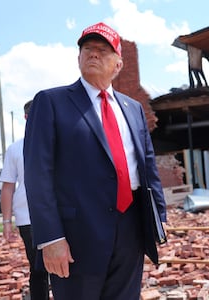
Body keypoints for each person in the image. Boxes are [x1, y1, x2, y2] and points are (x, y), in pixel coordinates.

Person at [23, 22, 167, 300]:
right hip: (77, 235)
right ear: (78, 58)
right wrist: (51, 238)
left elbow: (148, 168)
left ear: (118, 64)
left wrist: (158, 218)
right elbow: (37, 175)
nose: (93, 54)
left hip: (131, 229)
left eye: (103, 50)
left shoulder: (133, 108)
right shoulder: (51, 103)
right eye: (87, 49)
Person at [0, 100, 50, 300]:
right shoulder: (15, 149)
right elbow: (8, 186)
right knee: (38, 269)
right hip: (28, 218)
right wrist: (6, 222)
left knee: (65, 268)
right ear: (27, 117)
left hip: (60, 214)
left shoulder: (59, 143)